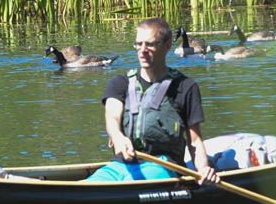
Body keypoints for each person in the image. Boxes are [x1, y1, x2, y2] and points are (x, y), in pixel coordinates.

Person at [87, 17, 220, 184]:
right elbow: (112, 118)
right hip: (121, 165)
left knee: (128, 184)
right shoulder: (120, 83)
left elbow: (195, 142)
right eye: (138, 44)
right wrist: (118, 137)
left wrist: (203, 170)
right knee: (87, 185)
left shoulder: (185, 87)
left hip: (164, 166)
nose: (142, 50)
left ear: (166, 46)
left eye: (149, 44)